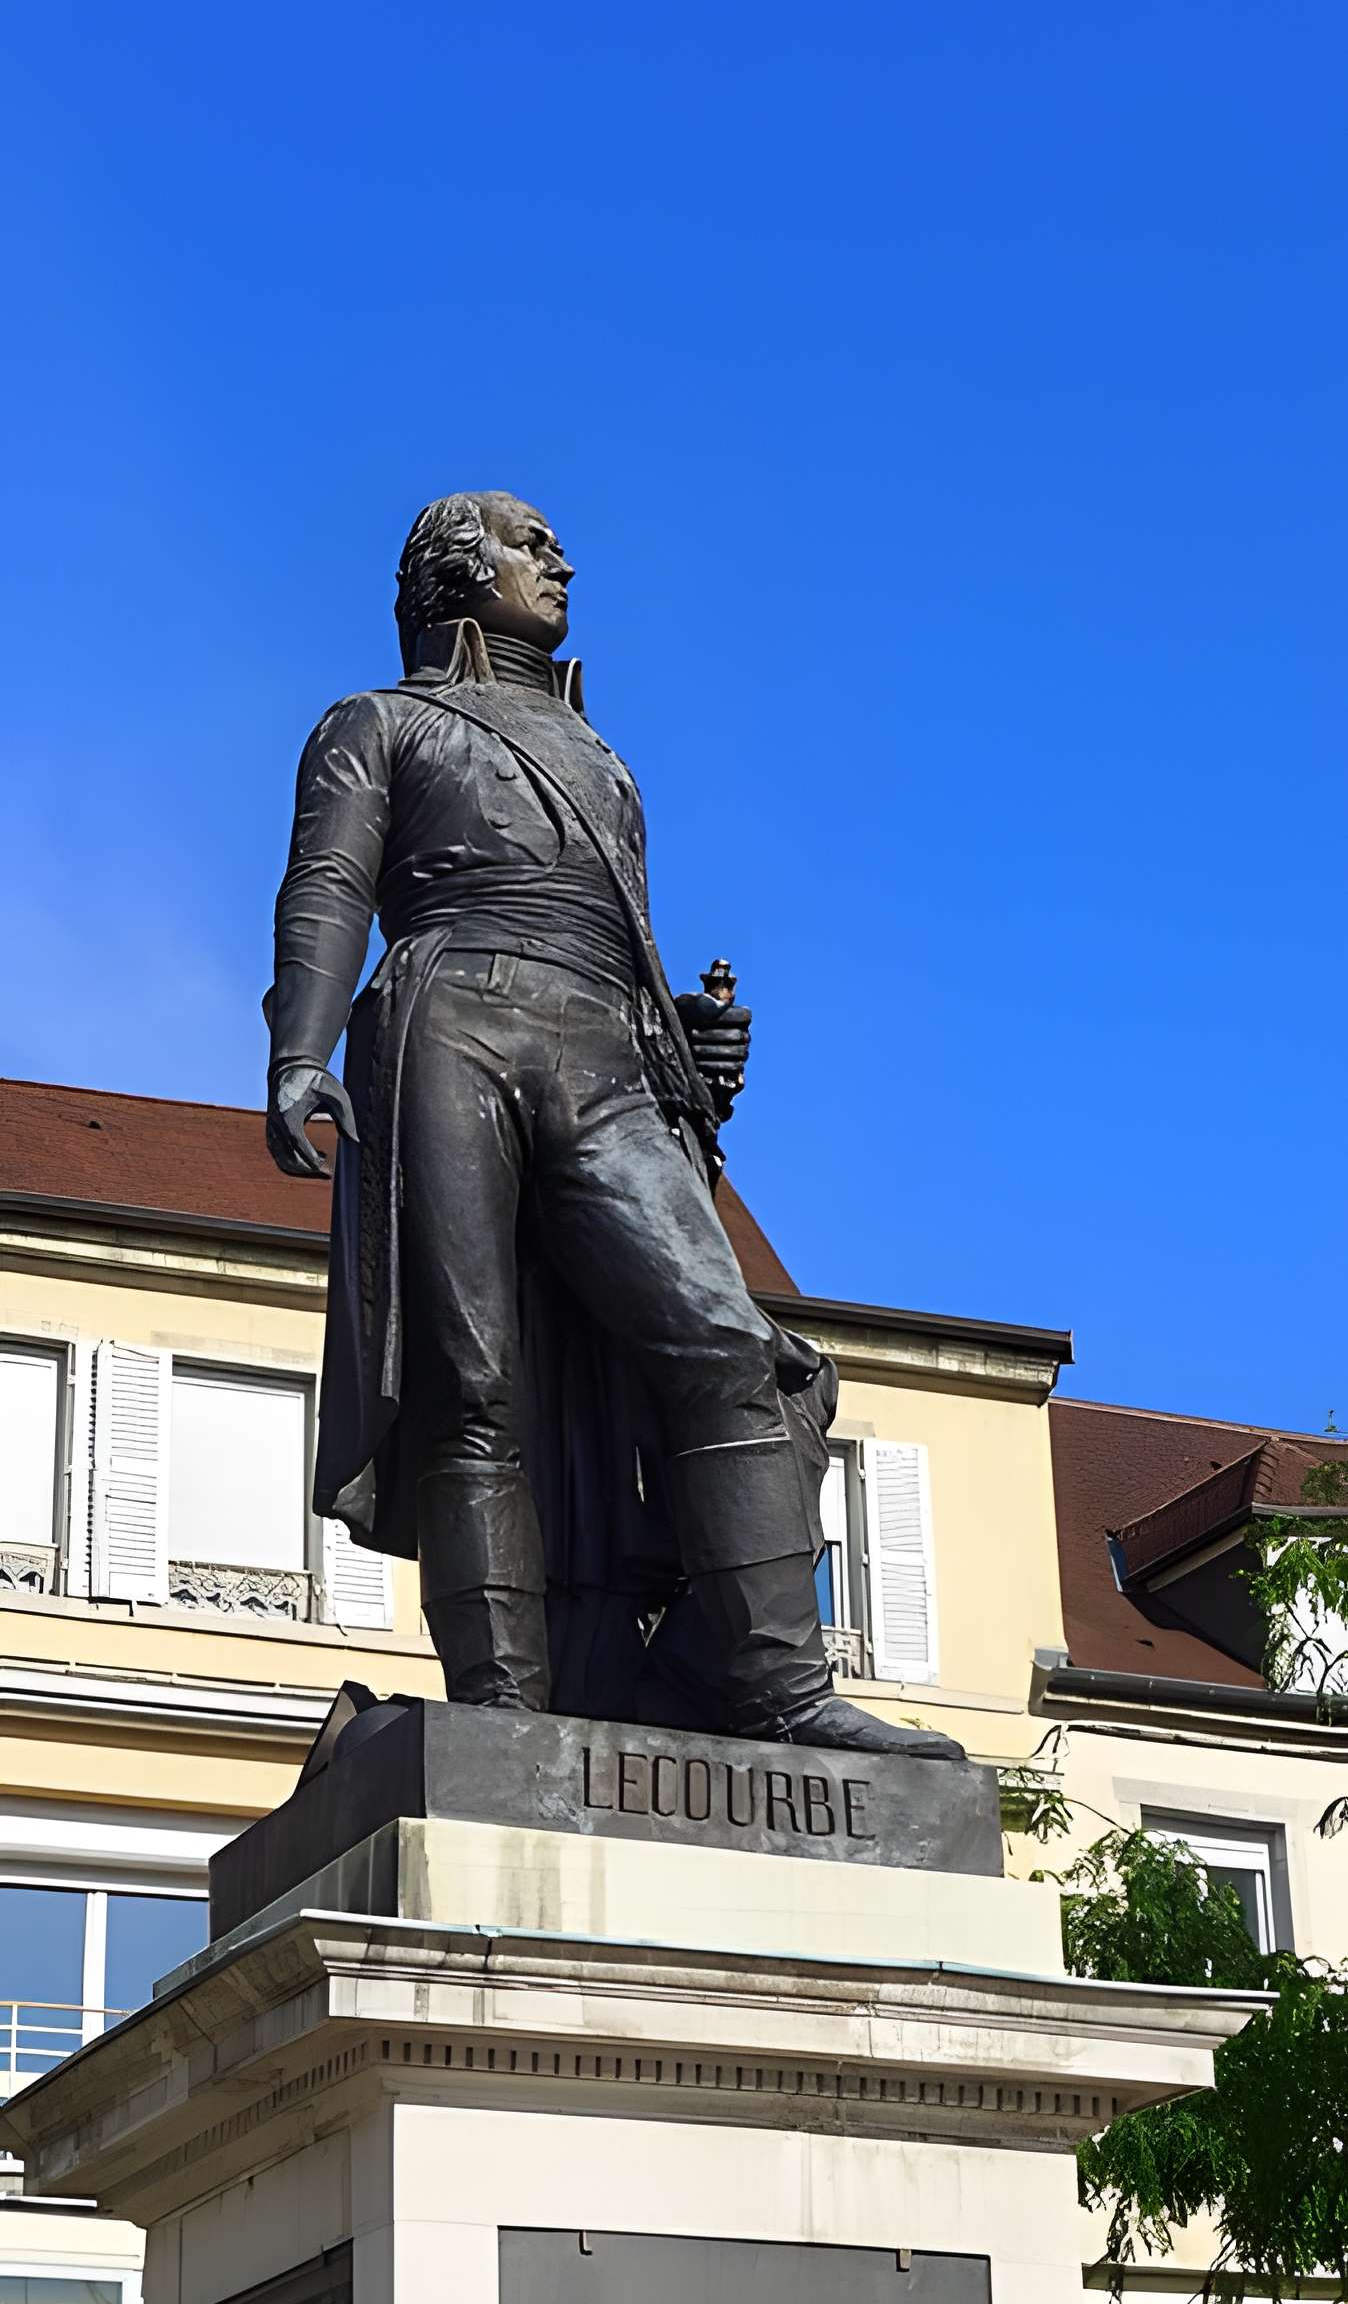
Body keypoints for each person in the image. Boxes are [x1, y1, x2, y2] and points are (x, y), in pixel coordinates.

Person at [266, 491, 961, 1759]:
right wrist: (302, 1047)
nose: (562, 559)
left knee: (735, 1350)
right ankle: (500, 1710)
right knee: (473, 1379)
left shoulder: (603, 755)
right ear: (453, 575)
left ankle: (773, 1687)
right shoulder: (376, 723)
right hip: (449, 1011)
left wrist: (685, 1050)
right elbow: (330, 884)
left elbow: (618, 937)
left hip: (602, 1043)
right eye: (533, 544)